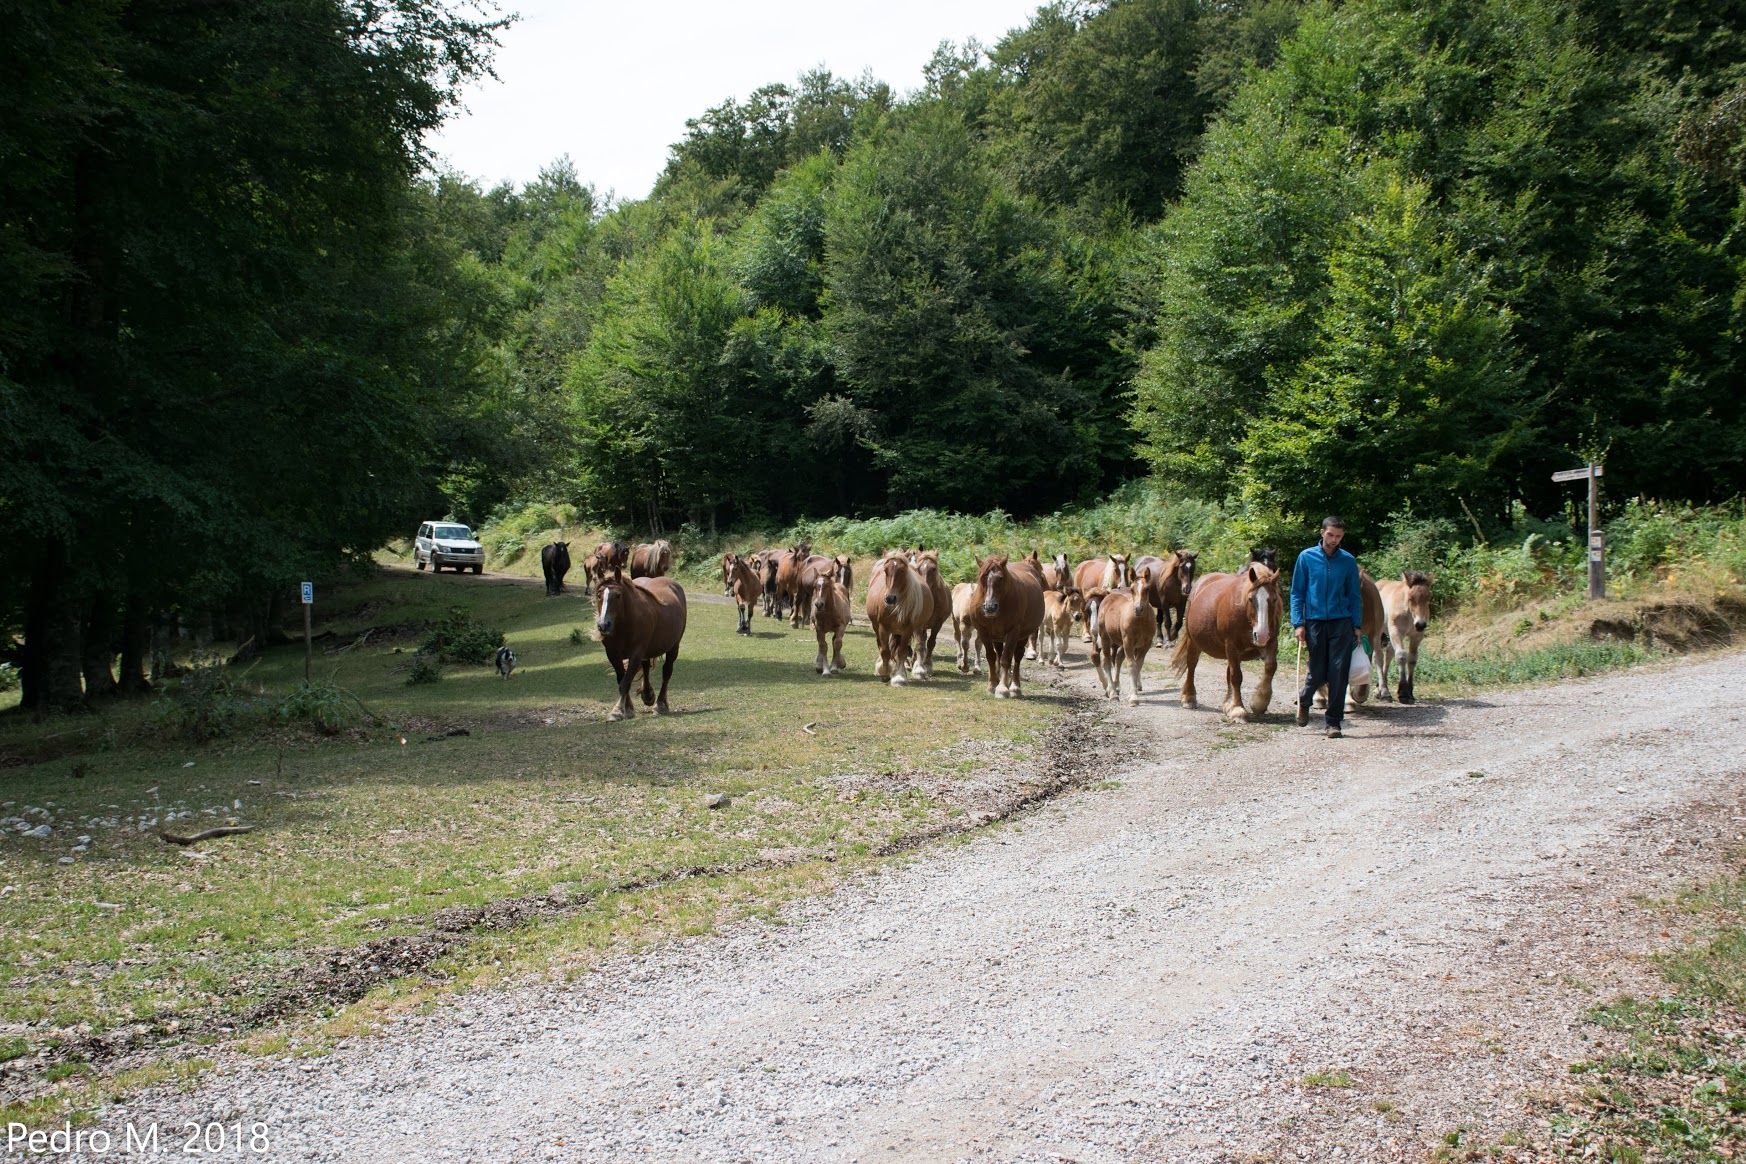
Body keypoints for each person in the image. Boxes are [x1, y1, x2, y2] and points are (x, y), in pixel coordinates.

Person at [1291, 516, 1363, 738]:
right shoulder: (1306, 557)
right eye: (1331, 535)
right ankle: (1304, 699)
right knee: (1318, 670)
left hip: (1341, 622)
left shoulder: (1348, 561)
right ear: (1322, 532)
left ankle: (1334, 723)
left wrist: (1356, 625)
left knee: (1338, 672)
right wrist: (1298, 623)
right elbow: (1297, 592)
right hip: (1314, 622)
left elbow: (1354, 595)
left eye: (1339, 536)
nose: (1334, 540)